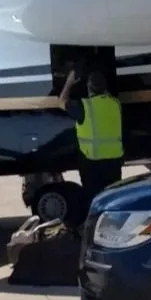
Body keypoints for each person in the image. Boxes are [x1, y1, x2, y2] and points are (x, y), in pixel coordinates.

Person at [58, 66, 124, 230]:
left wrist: (69, 82)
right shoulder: (115, 104)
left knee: (94, 201)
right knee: (113, 200)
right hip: (114, 162)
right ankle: (115, 230)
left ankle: (95, 232)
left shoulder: (84, 107)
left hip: (92, 162)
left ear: (88, 87)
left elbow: (61, 102)